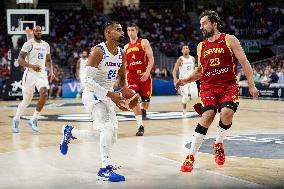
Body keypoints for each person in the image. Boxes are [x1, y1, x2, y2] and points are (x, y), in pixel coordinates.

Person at [176, 10, 259, 172]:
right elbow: (200, 71)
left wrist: (251, 85)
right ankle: (190, 156)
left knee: (226, 114)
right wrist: (185, 80)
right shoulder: (201, 46)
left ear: (214, 23)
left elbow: (245, 62)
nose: (201, 27)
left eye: (204, 23)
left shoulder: (229, 39)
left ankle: (218, 143)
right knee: (207, 115)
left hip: (228, 86)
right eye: (200, 25)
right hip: (208, 87)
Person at [60, 21, 127, 182]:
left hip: (108, 95)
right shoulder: (98, 51)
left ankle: (71, 133)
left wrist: (124, 96)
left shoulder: (122, 53)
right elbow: (87, 80)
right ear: (108, 33)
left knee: (112, 137)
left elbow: (122, 77)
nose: (122, 32)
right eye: (118, 30)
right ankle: (105, 168)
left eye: (122, 29)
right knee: (107, 127)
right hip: (93, 94)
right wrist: (110, 95)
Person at [12, 26, 54, 133]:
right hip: (30, 74)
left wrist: (52, 71)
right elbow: (20, 60)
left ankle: (34, 118)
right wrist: (31, 66)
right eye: (37, 30)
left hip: (41, 74)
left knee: (44, 93)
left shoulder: (46, 45)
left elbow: (48, 60)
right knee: (26, 100)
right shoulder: (29, 44)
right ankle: (16, 118)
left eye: (40, 30)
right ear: (33, 32)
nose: (39, 32)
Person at [124, 23, 154, 136]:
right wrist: (121, 78)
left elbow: (151, 58)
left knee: (145, 104)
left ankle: (143, 109)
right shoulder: (126, 47)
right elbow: (124, 65)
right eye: (128, 30)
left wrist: (147, 72)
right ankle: (140, 126)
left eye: (132, 30)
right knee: (134, 99)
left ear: (137, 31)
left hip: (144, 76)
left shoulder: (144, 42)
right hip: (132, 77)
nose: (130, 32)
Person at [172, 45, 198, 117]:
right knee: (185, 96)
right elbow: (174, 70)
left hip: (191, 80)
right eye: (184, 48)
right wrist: (175, 79)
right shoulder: (180, 59)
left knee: (195, 96)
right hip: (183, 81)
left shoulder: (192, 59)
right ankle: (184, 111)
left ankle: (185, 96)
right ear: (182, 51)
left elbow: (194, 69)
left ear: (189, 50)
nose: (185, 49)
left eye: (187, 48)